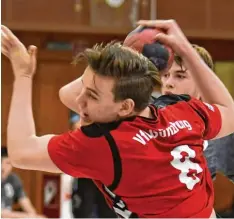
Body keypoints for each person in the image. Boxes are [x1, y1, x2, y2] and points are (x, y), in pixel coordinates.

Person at [2, 19, 234, 218]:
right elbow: (229, 112)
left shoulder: (107, 143)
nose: (80, 101)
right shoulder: (183, 111)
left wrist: (23, 75)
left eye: (91, 95)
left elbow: (22, 151)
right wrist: (181, 47)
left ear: (125, 106)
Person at [159, 44, 234, 181]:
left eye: (180, 76)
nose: (168, 83)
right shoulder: (145, 118)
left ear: (202, 83)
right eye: (165, 75)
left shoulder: (223, 128)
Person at [1, 147, 45, 218]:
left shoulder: (13, 179)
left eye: (9, 164)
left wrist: (34, 216)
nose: (5, 167)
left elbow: (26, 204)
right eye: (7, 163)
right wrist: (24, 216)